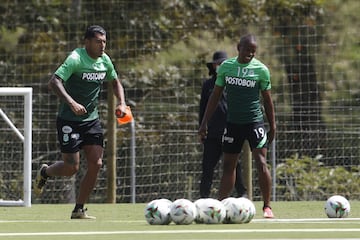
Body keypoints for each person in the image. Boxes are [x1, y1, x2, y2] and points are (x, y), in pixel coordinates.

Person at [34, 25, 128, 219]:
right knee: (71, 168)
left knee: (97, 163)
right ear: (87, 42)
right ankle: (46, 171)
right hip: (69, 119)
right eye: (98, 41)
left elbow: (115, 82)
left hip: (91, 120)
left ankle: (79, 209)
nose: (102, 45)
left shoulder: (105, 60)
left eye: (104, 42)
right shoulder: (76, 58)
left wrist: (122, 103)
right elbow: (54, 82)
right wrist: (72, 102)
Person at [198, 34, 276, 218]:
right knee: (228, 166)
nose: (250, 53)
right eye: (247, 49)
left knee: (261, 162)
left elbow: (267, 100)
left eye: (253, 51)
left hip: (254, 123)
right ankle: (219, 207)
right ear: (238, 47)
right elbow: (215, 96)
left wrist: (273, 126)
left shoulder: (261, 70)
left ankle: (267, 206)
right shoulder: (226, 67)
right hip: (233, 124)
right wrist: (204, 123)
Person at [199, 51, 247, 198]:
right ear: (213, 66)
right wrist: (201, 128)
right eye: (218, 64)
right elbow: (202, 109)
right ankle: (204, 198)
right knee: (207, 168)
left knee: (234, 166)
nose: (220, 66)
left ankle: (242, 194)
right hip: (212, 134)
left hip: (230, 132)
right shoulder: (208, 85)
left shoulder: (234, 83)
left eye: (223, 64)